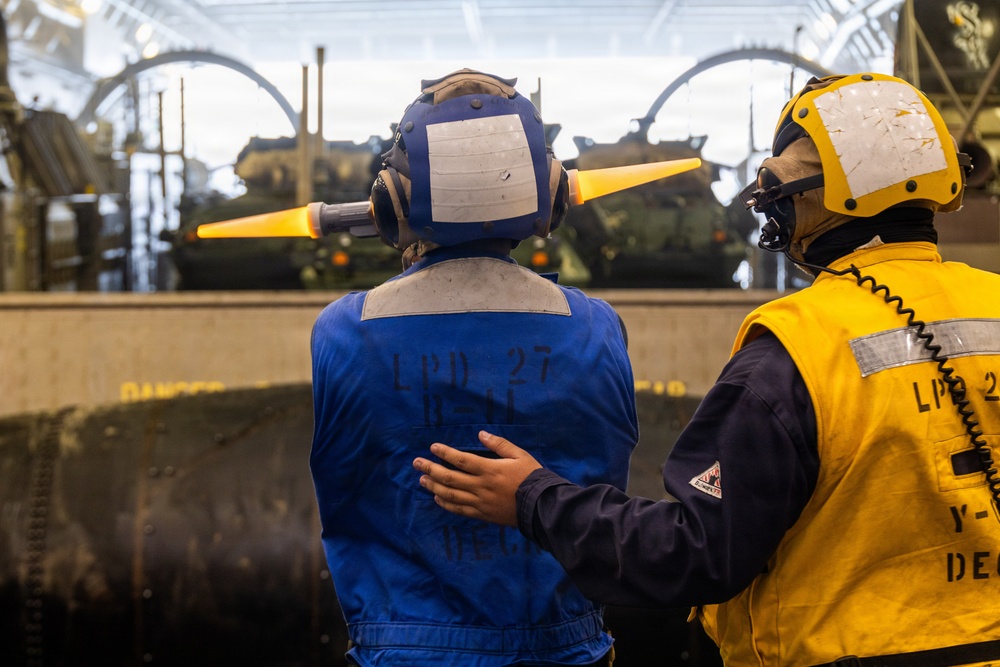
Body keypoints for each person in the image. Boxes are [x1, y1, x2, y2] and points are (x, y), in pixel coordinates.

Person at [414, 72, 1000, 666]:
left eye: (785, 192)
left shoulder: (800, 347)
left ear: (828, 198)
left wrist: (533, 498)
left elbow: (693, 552)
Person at [309, 69, 639, 666]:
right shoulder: (597, 328)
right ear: (551, 195)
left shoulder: (343, 333)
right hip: (568, 650)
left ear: (391, 202)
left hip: (403, 655)